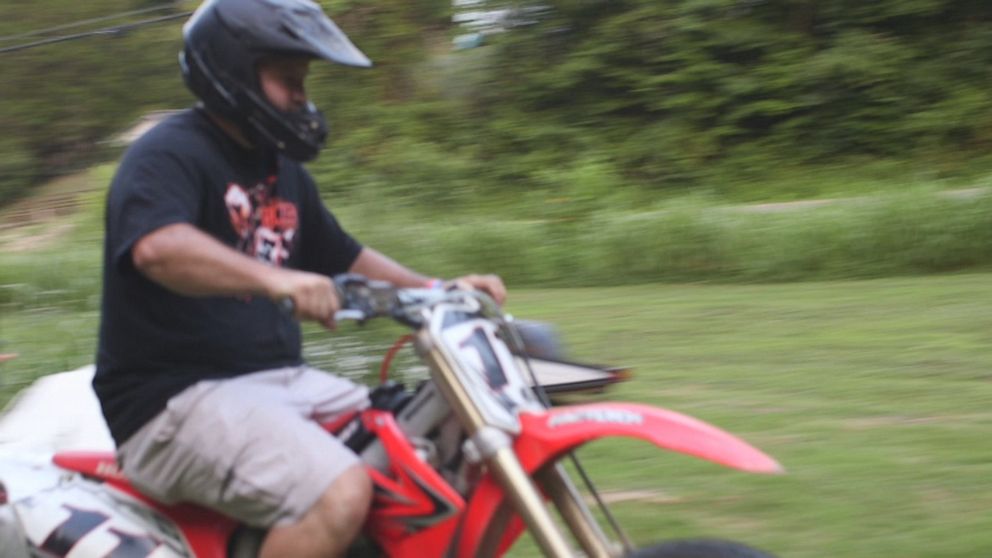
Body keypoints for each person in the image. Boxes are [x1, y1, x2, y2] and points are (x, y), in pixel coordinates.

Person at [91, 1, 505, 557]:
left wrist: (439, 292)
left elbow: (342, 255)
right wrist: (276, 280)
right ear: (234, 72)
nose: (303, 98)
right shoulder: (168, 153)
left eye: (304, 82)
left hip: (278, 385)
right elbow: (158, 249)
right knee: (335, 492)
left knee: (437, 436)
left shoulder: (280, 170)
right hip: (169, 404)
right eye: (289, 81)